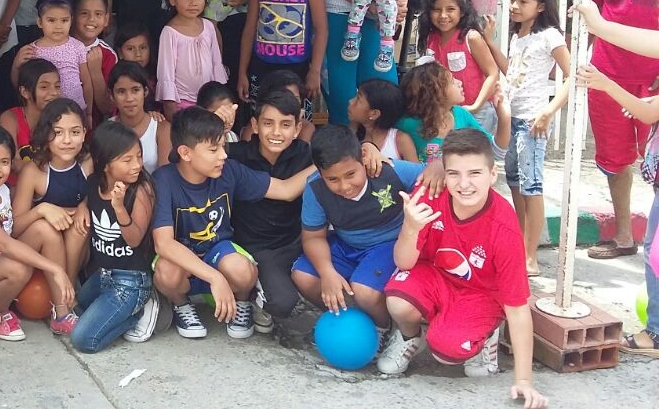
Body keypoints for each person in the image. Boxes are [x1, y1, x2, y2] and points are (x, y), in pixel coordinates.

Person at [379, 130, 545, 408]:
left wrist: (524, 380)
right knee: (396, 300)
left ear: (493, 175)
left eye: (475, 173)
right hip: (436, 276)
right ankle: (409, 338)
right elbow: (403, 263)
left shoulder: (504, 226)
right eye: (454, 173)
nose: (464, 184)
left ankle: (485, 334)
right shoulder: (430, 194)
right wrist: (410, 228)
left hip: (481, 295)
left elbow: (517, 307)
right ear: (443, 172)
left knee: (446, 351)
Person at [151, 107, 315, 340]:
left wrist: (325, 164)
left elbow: (286, 190)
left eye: (223, 147)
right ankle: (181, 305)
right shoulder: (164, 180)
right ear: (186, 153)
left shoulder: (229, 171)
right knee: (166, 272)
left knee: (242, 270)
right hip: (183, 257)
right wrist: (214, 278)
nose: (223, 155)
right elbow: (164, 244)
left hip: (219, 250)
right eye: (213, 149)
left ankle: (241, 302)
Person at [292, 126, 426, 337]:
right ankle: (350, 321)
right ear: (319, 172)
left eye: (350, 174)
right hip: (346, 243)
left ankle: (383, 329)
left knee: (365, 291)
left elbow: (431, 172)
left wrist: (437, 169)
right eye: (332, 179)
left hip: (388, 244)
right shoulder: (315, 188)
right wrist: (327, 273)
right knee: (303, 277)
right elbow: (313, 237)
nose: (344, 186)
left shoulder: (388, 169)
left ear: (363, 159)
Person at [584, 0, 659, 260]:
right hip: (607, 78)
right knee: (614, 159)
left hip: (654, 82)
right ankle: (625, 237)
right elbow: (595, 12)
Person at [480, 0, 571, 276]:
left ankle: (530, 256)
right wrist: (491, 42)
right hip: (514, 118)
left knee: (532, 187)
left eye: (523, 1)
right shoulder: (519, 36)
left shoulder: (551, 36)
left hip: (533, 121)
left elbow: (572, 77)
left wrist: (547, 112)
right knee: (517, 184)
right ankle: (520, 247)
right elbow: (511, 71)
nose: (514, 6)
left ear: (541, 5)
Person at [0, 127, 75, 341]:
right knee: (18, 264)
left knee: (45, 229)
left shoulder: (5, 191)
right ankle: (1, 313)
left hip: (1, 273)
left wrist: (41, 211)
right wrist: (55, 269)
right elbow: (5, 244)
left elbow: (14, 228)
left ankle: (61, 314)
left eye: (4, 162)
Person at [69, 121, 158, 352]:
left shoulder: (141, 190)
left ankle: (140, 312)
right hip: (103, 276)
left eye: (139, 156)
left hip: (131, 281)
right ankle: (125, 311)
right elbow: (90, 199)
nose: (137, 165)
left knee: (83, 340)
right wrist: (82, 206)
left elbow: (135, 239)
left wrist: (119, 208)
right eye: (127, 160)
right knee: (77, 309)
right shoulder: (94, 183)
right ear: (105, 164)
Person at [227, 91, 312, 333]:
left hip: (295, 243)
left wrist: (369, 147)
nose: (276, 132)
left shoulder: (305, 153)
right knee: (283, 304)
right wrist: (216, 125)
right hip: (257, 248)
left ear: (297, 128)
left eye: (286, 125)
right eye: (267, 123)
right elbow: (181, 152)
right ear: (254, 125)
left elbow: (348, 154)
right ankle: (254, 294)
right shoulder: (237, 154)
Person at [12, 99, 91, 333]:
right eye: (58, 133)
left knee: (81, 224)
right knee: (46, 229)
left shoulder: (88, 164)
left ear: (85, 134)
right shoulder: (34, 171)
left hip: (74, 254)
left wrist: (85, 205)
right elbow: (14, 228)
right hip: (36, 254)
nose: (67, 140)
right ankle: (63, 311)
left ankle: (69, 292)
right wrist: (42, 210)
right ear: (46, 134)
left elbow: (100, 196)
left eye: (75, 132)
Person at [416, 0, 500, 132]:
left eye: (450, 9)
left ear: (462, 12)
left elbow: (492, 73)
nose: (443, 15)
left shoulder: (471, 38)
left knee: (473, 154)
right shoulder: (430, 39)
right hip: (447, 113)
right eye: (436, 9)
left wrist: (475, 106)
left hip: (477, 112)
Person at [156, 0, 227, 119]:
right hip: (182, 103)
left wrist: (220, 96)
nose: (193, 2)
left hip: (210, 102)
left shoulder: (208, 26)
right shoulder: (170, 32)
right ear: (172, 0)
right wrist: (170, 105)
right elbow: (166, 71)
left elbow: (216, 62)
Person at [395, 62, 492, 164]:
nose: (459, 82)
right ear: (435, 92)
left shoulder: (461, 114)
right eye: (452, 81)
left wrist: (504, 116)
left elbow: (490, 145)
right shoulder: (407, 124)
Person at [11, 0, 91, 112]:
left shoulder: (77, 46)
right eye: (51, 20)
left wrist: (88, 112)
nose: (58, 26)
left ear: (71, 21)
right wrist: (16, 65)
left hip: (75, 110)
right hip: (43, 112)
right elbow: (19, 83)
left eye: (64, 20)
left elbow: (87, 82)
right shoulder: (31, 51)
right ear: (39, 22)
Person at [109, 61, 171, 175]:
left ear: (145, 91)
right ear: (112, 96)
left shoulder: (161, 128)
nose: (129, 98)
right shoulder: (107, 131)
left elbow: (165, 178)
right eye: (121, 91)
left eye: (135, 90)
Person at [0, 58, 61, 167]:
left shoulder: (62, 119)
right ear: (25, 92)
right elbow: (13, 162)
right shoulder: (10, 118)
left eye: (57, 86)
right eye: (44, 87)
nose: (54, 93)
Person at [73, 0, 117, 119]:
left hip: (92, 130)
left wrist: (96, 72)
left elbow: (107, 108)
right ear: (73, 16)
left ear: (106, 19)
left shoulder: (108, 55)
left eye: (98, 14)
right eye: (84, 13)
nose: (91, 19)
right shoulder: (59, 46)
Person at [349, 78, 406, 161]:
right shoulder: (350, 136)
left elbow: (417, 172)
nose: (350, 101)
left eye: (358, 99)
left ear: (374, 114)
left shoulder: (400, 140)